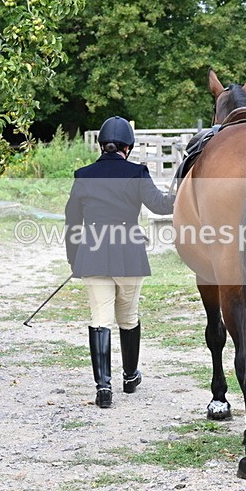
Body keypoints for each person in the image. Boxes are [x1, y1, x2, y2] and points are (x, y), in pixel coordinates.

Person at [64, 116, 175, 408]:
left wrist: (74, 259)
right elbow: (162, 206)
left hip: (94, 255)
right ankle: (129, 376)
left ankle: (103, 388)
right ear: (128, 146)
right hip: (128, 255)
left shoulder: (83, 175)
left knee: (100, 320)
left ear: (102, 145)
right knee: (128, 318)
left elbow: (72, 221)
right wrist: (183, 186)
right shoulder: (137, 173)